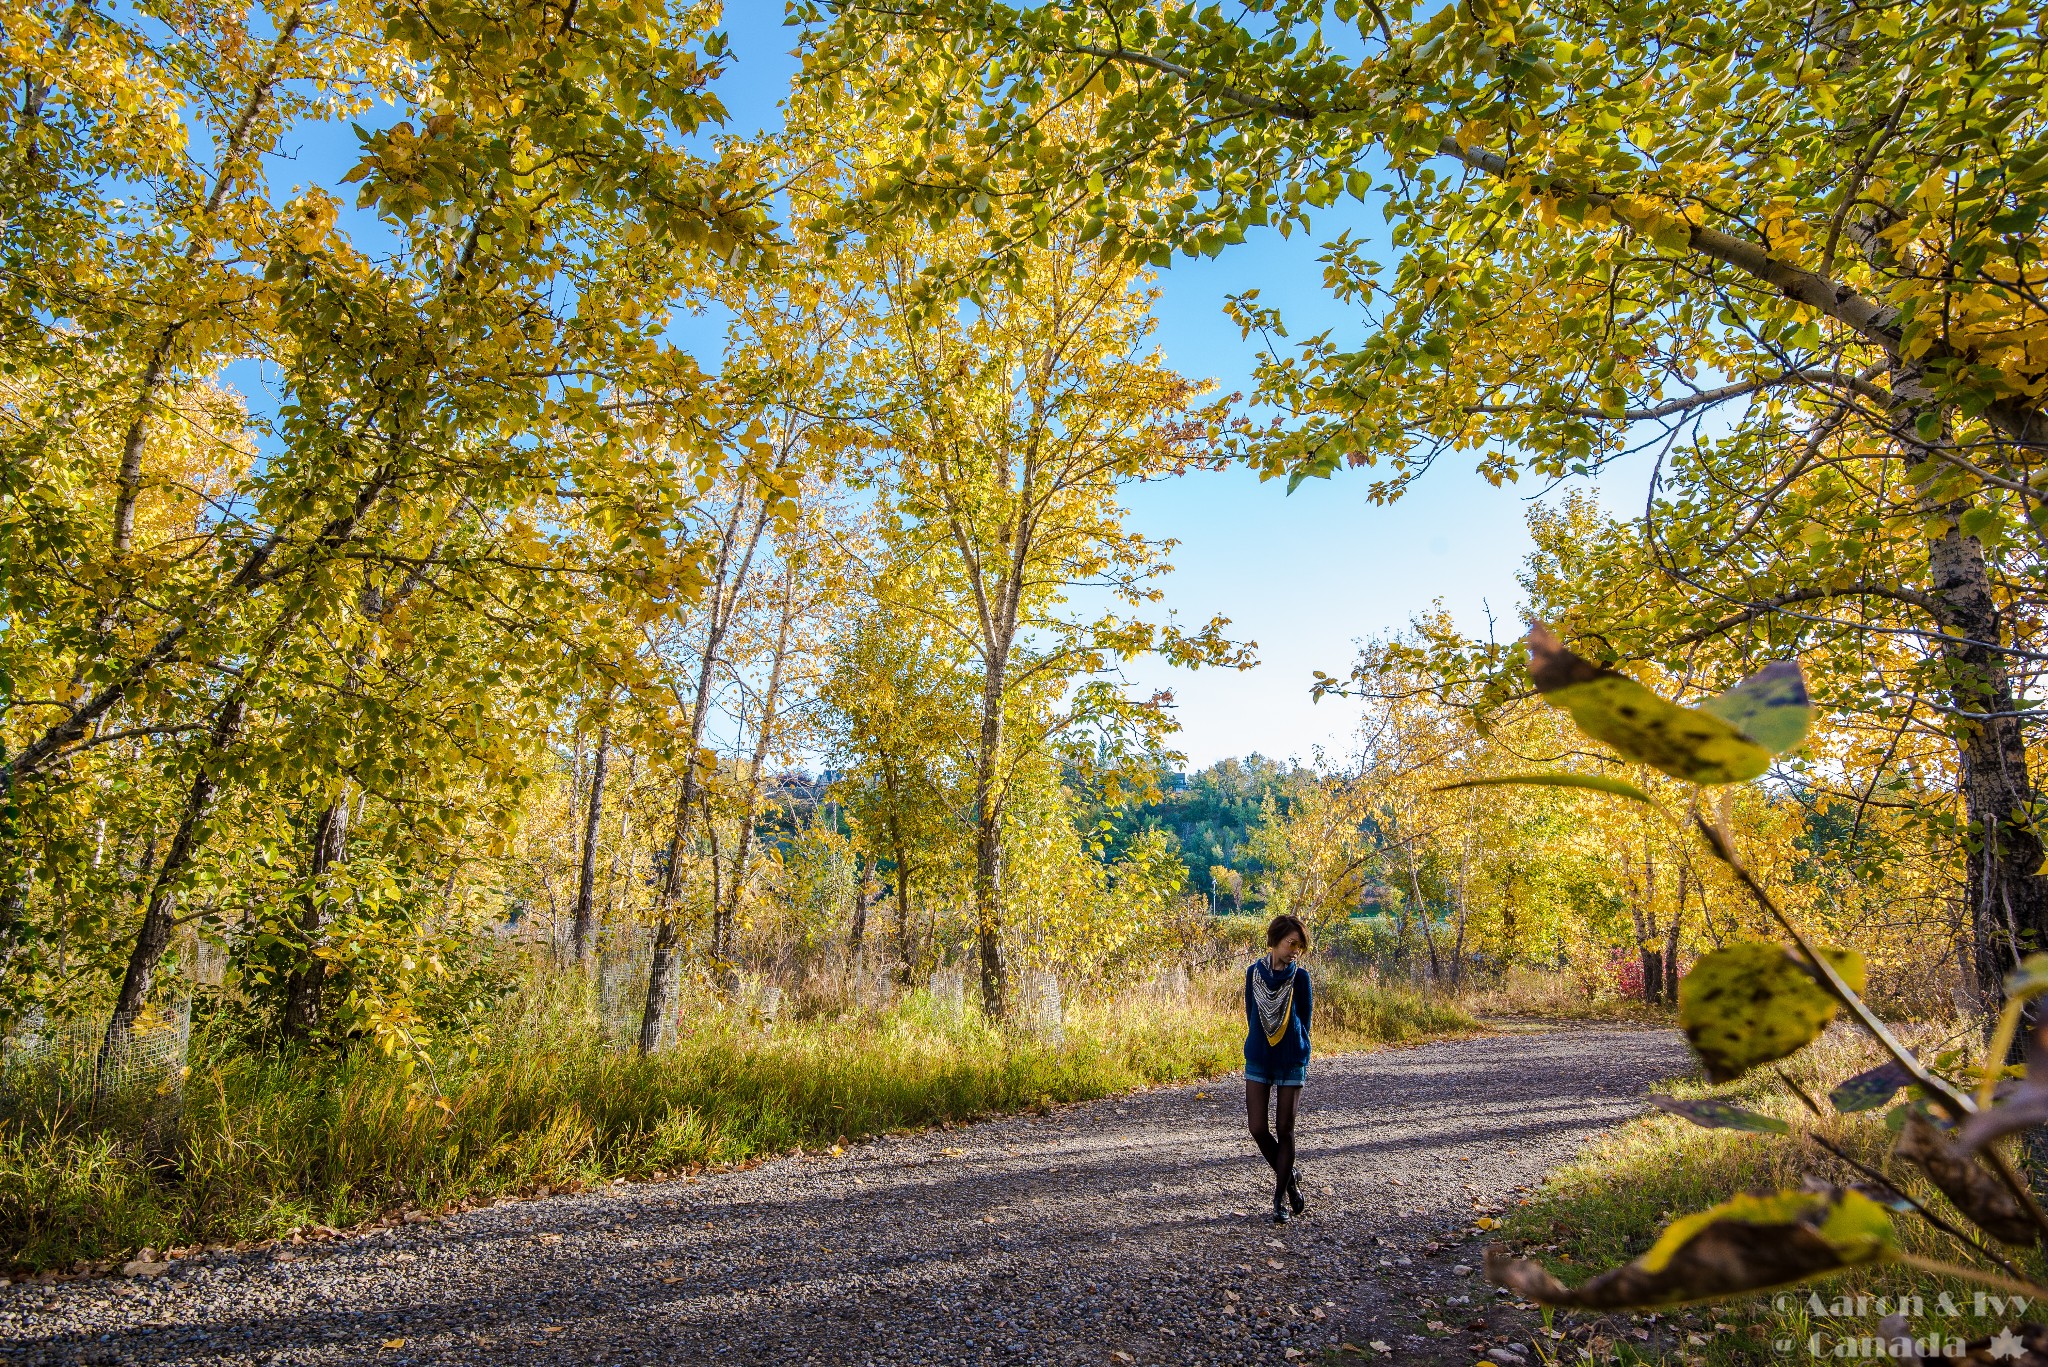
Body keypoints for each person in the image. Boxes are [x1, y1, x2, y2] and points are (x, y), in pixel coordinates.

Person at [1244, 913, 1312, 1225]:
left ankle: (1279, 1198)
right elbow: (1251, 1013)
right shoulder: (1252, 974)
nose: (1295, 950)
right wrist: (1263, 1042)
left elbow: (1306, 1020)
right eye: (1290, 943)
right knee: (1257, 1128)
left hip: (1291, 1060)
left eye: (1300, 946)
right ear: (1275, 941)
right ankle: (1290, 1177)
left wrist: (1297, 1051)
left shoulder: (1301, 979)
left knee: (1284, 1129)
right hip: (1259, 1056)